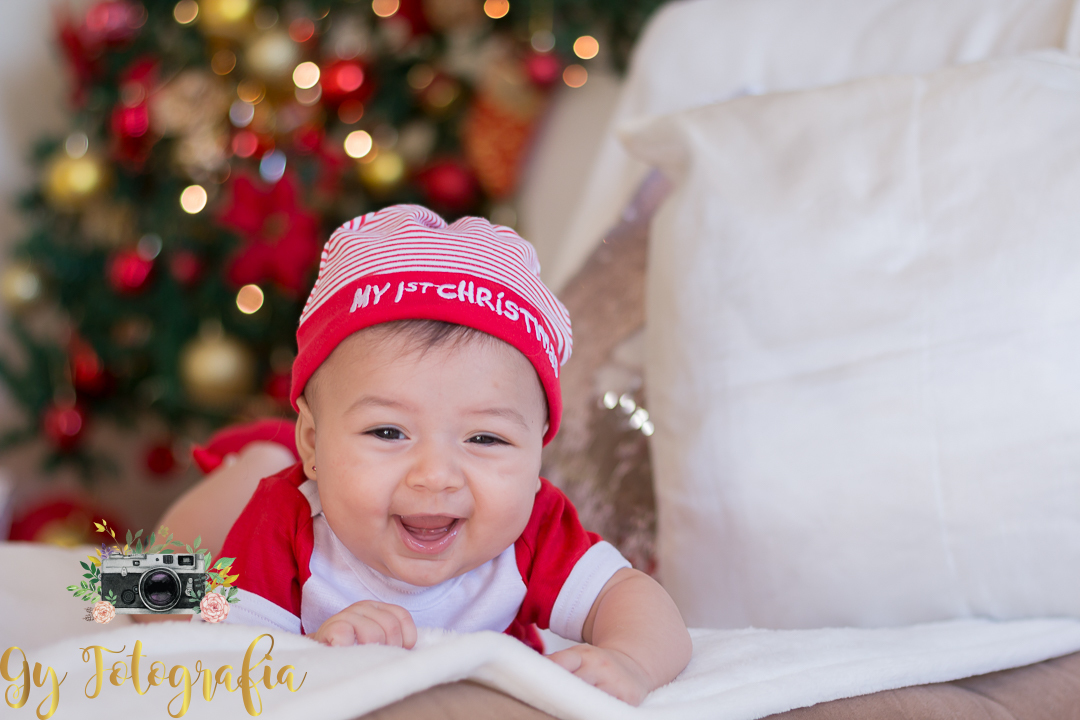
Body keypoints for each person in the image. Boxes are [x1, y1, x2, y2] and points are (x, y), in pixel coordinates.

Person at [205, 205, 691, 704]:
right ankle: (248, 465)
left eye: (486, 439)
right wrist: (311, 652)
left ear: (538, 451)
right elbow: (219, 653)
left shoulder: (532, 529)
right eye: (388, 432)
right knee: (169, 578)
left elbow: (637, 603)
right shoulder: (285, 519)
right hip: (222, 526)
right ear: (313, 441)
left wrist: (630, 660)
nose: (436, 476)